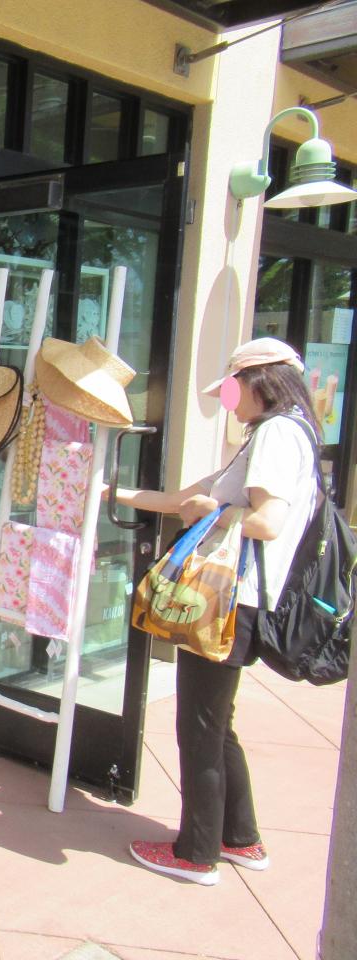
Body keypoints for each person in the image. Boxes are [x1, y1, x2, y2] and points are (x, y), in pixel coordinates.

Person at [114, 337, 321, 885]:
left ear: (259, 382)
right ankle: (240, 838)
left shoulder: (276, 434)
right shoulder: (286, 432)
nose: (228, 402)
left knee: (200, 728)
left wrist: (218, 512)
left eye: (231, 389)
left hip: (230, 604)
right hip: (243, 604)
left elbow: (267, 522)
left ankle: (196, 854)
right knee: (217, 725)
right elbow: (183, 499)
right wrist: (113, 493)